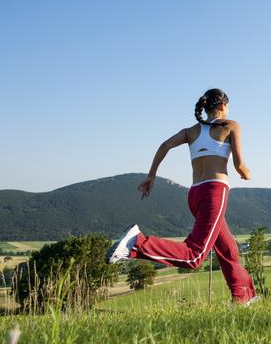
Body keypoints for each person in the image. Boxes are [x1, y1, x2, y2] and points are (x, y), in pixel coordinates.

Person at [106, 88, 259, 304]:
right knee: (195, 256)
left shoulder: (191, 131)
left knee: (228, 248)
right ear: (223, 106)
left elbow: (165, 145)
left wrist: (151, 176)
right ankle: (136, 243)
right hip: (215, 191)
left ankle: (244, 297)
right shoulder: (230, 125)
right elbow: (240, 166)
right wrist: (247, 174)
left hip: (195, 194)